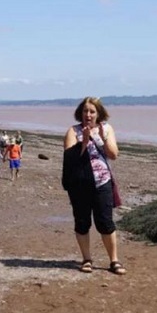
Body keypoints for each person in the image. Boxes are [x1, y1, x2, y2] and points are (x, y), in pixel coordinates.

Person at [62, 97, 126, 275]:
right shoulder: (73, 131)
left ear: (98, 113)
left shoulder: (107, 129)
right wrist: (83, 142)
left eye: (92, 111)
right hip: (79, 185)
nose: (88, 115)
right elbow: (69, 159)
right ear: (80, 113)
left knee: (106, 222)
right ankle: (87, 259)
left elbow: (114, 154)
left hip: (102, 182)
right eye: (85, 111)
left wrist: (100, 138)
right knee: (82, 222)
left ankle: (114, 260)